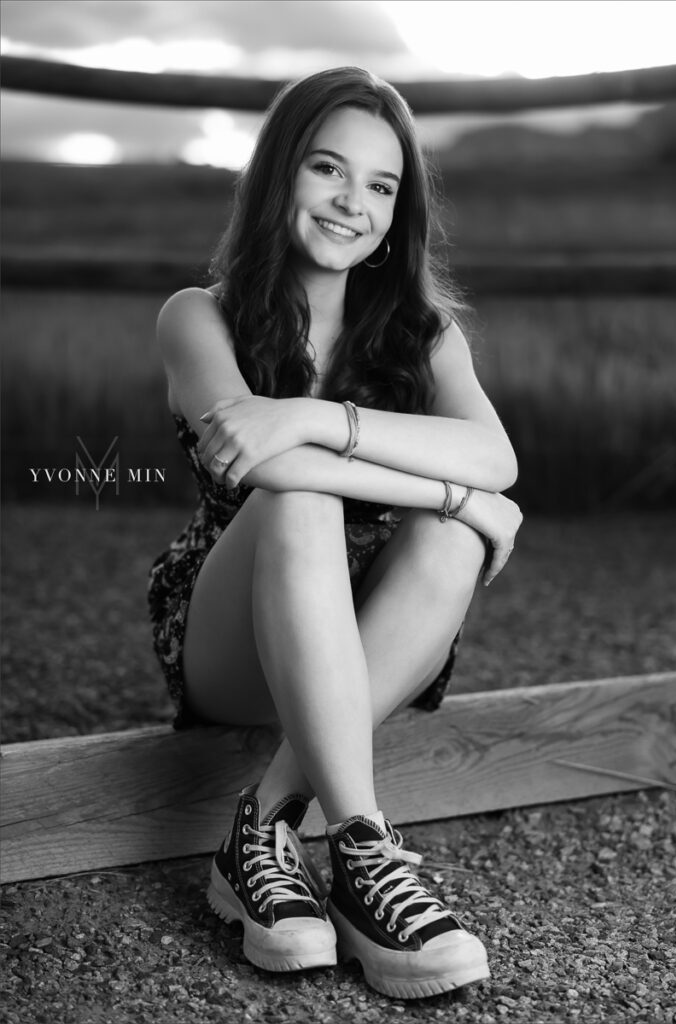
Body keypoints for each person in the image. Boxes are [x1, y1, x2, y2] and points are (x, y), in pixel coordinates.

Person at [147, 66, 522, 1000]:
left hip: (366, 633)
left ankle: (271, 827)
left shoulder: (424, 337)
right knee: (307, 503)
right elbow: (255, 465)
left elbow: (497, 458)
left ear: (397, 214)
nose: (354, 203)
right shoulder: (199, 318)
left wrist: (316, 419)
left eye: (381, 186)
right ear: (280, 176)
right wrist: (454, 494)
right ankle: (365, 846)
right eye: (327, 169)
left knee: (447, 541)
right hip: (231, 630)